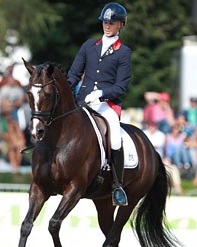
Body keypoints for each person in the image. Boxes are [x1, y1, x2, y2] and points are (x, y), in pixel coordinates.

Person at [67, 2, 131, 206]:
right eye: (105, 21)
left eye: (112, 22)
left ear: (121, 24)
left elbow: (121, 87)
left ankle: (118, 186)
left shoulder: (124, 53)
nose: (107, 25)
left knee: (114, 138)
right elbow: (74, 74)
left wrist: (102, 93)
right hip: (82, 100)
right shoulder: (88, 46)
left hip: (106, 105)